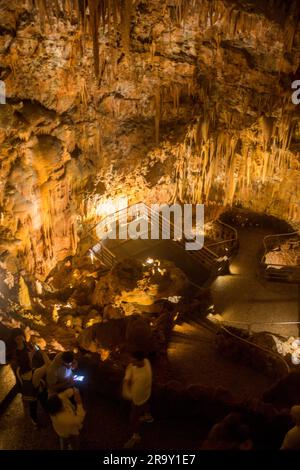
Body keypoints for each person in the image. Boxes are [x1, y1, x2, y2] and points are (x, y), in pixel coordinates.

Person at [123, 351, 153, 448]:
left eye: (134, 361)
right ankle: (148, 416)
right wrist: (128, 377)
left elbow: (132, 396)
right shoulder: (146, 361)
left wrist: (126, 384)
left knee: (133, 418)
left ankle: (136, 436)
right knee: (146, 401)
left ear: (139, 361)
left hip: (139, 398)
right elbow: (131, 367)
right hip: (147, 393)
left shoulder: (142, 378)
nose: (132, 363)